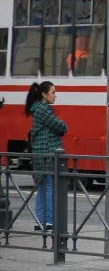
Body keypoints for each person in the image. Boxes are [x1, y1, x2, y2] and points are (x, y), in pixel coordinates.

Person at [25, 81, 67, 233]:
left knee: (42, 187)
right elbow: (60, 127)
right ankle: (48, 221)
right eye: (53, 92)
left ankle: (40, 221)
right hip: (47, 153)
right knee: (48, 187)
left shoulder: (38, 109)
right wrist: (63, 125)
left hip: (40, 153)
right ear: (44, 94)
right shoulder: (44, 110)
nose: (55, 96)